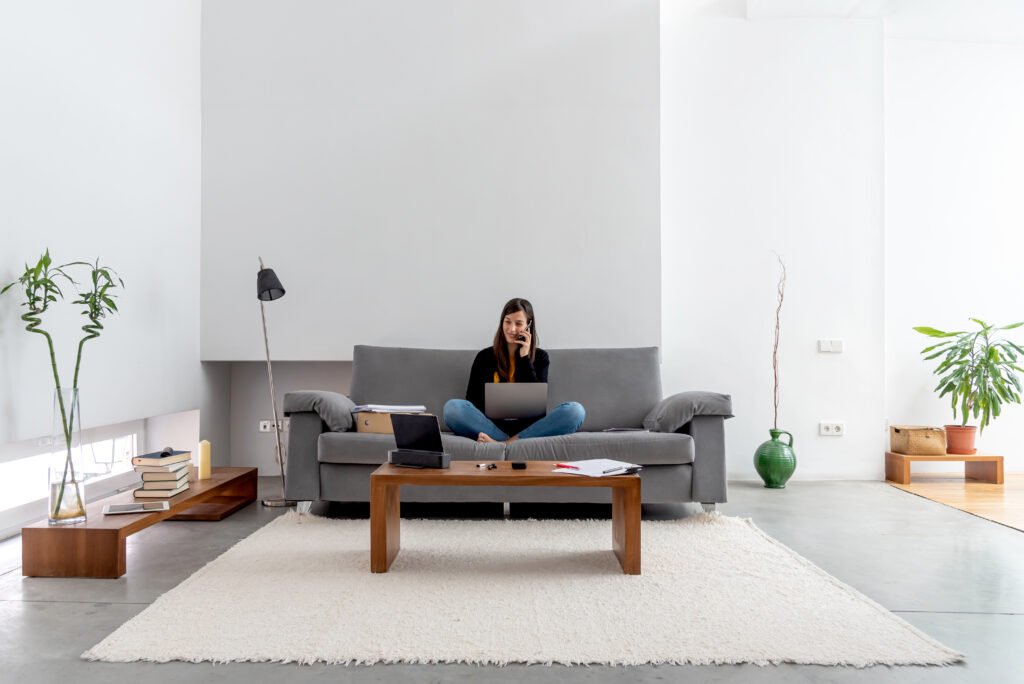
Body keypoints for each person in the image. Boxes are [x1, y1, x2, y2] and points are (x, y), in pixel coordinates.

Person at [444, 298, 585, 443]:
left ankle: (505, 444)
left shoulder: (540, 357)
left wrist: (524, 358)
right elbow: (472, 402)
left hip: (530, 429)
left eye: (518, 323)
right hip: (491, 427)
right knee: (453, 408)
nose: (511, 329)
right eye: (507, 322)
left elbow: (537, 406)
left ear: (528, 325)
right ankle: (511, 443)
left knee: (575, 411)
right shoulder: (484, 357)